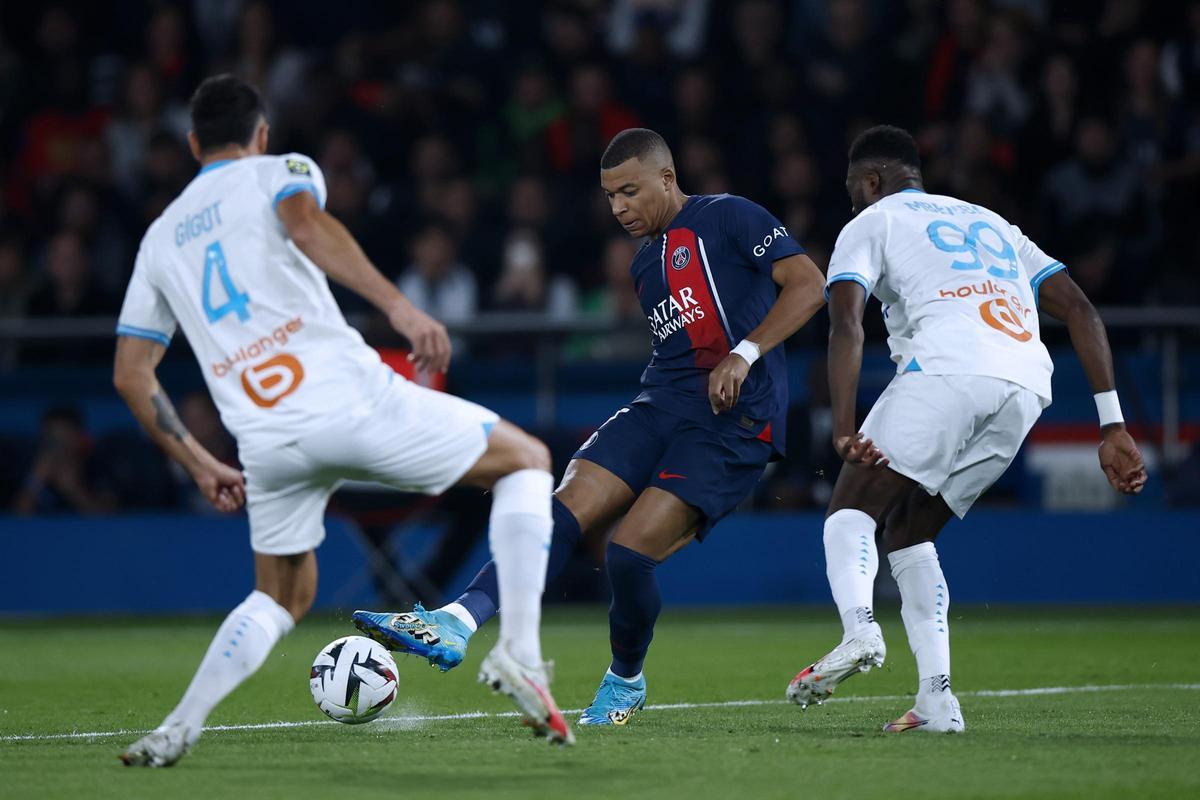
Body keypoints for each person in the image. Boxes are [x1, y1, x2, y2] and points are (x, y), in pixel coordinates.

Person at [114, 75, 572, 767]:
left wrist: (200, 463)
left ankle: (178, 727)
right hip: (349, 401)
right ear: (261, 133)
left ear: (192, 144)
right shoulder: (280, 171)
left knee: (282, 595)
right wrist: (402, 308)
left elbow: (130, 373)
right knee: (528, 460)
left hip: (266, 440)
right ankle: (521, 654)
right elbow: (306, 226)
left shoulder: (158, 239)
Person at [354, 128, 827, 726]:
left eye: (630, 191)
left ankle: (626, 679)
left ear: (667, 178)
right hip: (659, 406)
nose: (619, 208)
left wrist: (745, 353)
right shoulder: (645, 263)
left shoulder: (730, 216)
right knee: (559, 507)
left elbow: (810, 285)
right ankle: (456, 620)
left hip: (733, 424)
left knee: (627, 555)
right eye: (609, 196)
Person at [785, 125, 1148, 733]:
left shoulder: (872, 222)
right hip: (1025, 387)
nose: (851, 201)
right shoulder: (993, 223)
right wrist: (1112, 425)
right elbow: (1081, 309)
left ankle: (859, 631)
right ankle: (937, 701)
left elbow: (846, 325)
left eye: (852, 189)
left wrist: (844, 427)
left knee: (850, 508)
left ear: (871, 181)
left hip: (947, 368)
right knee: (909, 530)